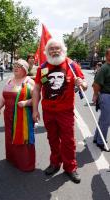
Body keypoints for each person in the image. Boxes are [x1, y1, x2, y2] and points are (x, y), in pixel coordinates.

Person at [32, 38, 87, 183]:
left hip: (66, 111)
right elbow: (37, 88)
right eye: (51, 49)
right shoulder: (43, 68)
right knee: (52, 139)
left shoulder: (71, 65)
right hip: (48, 111)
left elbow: (85, 84)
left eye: (57, 48)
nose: (54, 51)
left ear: (63, 50)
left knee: (68, 141)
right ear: (47, 51)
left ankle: (70, 167)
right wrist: (35, 109)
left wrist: (82, 83)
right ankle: (55, 163)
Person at [0, 59, 35, 171]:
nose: (16, 68)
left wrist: (27, 102)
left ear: (25, 69)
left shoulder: (29, 81)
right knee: (9, 136)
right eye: (15, 66)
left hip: (23, 116)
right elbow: (3, 97)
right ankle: (12, 158)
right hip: (8, 116)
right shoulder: (9, 81)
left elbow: (36, 98)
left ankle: (24, 163)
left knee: (22, 137)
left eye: (19, 66)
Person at [92, 48, 110, 151]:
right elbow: (96, 84)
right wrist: (95, 95)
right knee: (106, 121)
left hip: (107, 96)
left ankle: (96, 138)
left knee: (102, 119)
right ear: (107, 56)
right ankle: (100, 142)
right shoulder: (104, 68)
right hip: (106, 95)